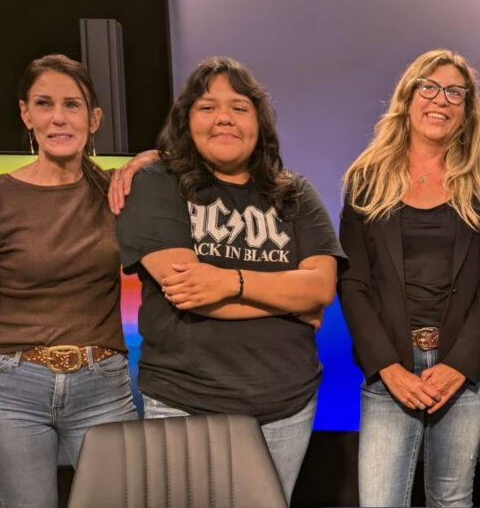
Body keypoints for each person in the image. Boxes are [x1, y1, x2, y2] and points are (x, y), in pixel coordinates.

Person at [116, 56, 343, 503]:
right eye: (207, 107)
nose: (224, 118)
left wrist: (232, 282)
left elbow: (321, 287)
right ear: (186, 121)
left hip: (286, 407)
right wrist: (288, 298)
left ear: (259, 122)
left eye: (239, 107)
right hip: (185, 404)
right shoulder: (158, 182)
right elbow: (189, 290)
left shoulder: (294, 191)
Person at [0, 54, 138, 506]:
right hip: (10, 389)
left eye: (73, 104)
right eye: (44, 104)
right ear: (26, 113)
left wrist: (143, 160)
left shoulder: (118, 191)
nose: (59, 118)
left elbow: (191, 165)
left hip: (102, 384)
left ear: (95, 117)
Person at [338, 50, 480, 507]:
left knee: (451, 499)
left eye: (456, 92)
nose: (441, 99)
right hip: (390, 364)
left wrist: (459, 364)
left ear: (467, 110)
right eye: (428, 86)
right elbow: (352, 283)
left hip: (464, 368)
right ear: (408, 98)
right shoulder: (365, 180)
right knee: (379, 501)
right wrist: (388, 367)